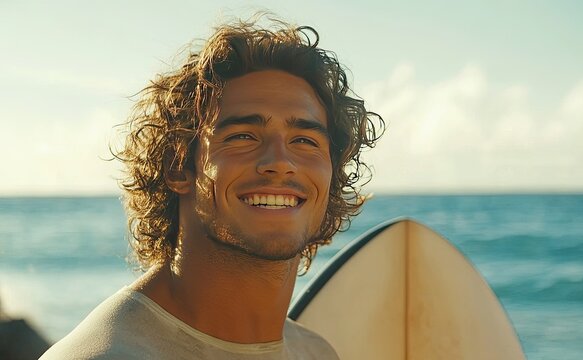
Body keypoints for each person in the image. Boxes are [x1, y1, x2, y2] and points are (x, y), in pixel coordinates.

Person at [41, 15, 383, 359]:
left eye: (305, 140)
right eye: (243, 136)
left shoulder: (316, 353)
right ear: (178, 166)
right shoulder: (110, 354)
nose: (281, 161)